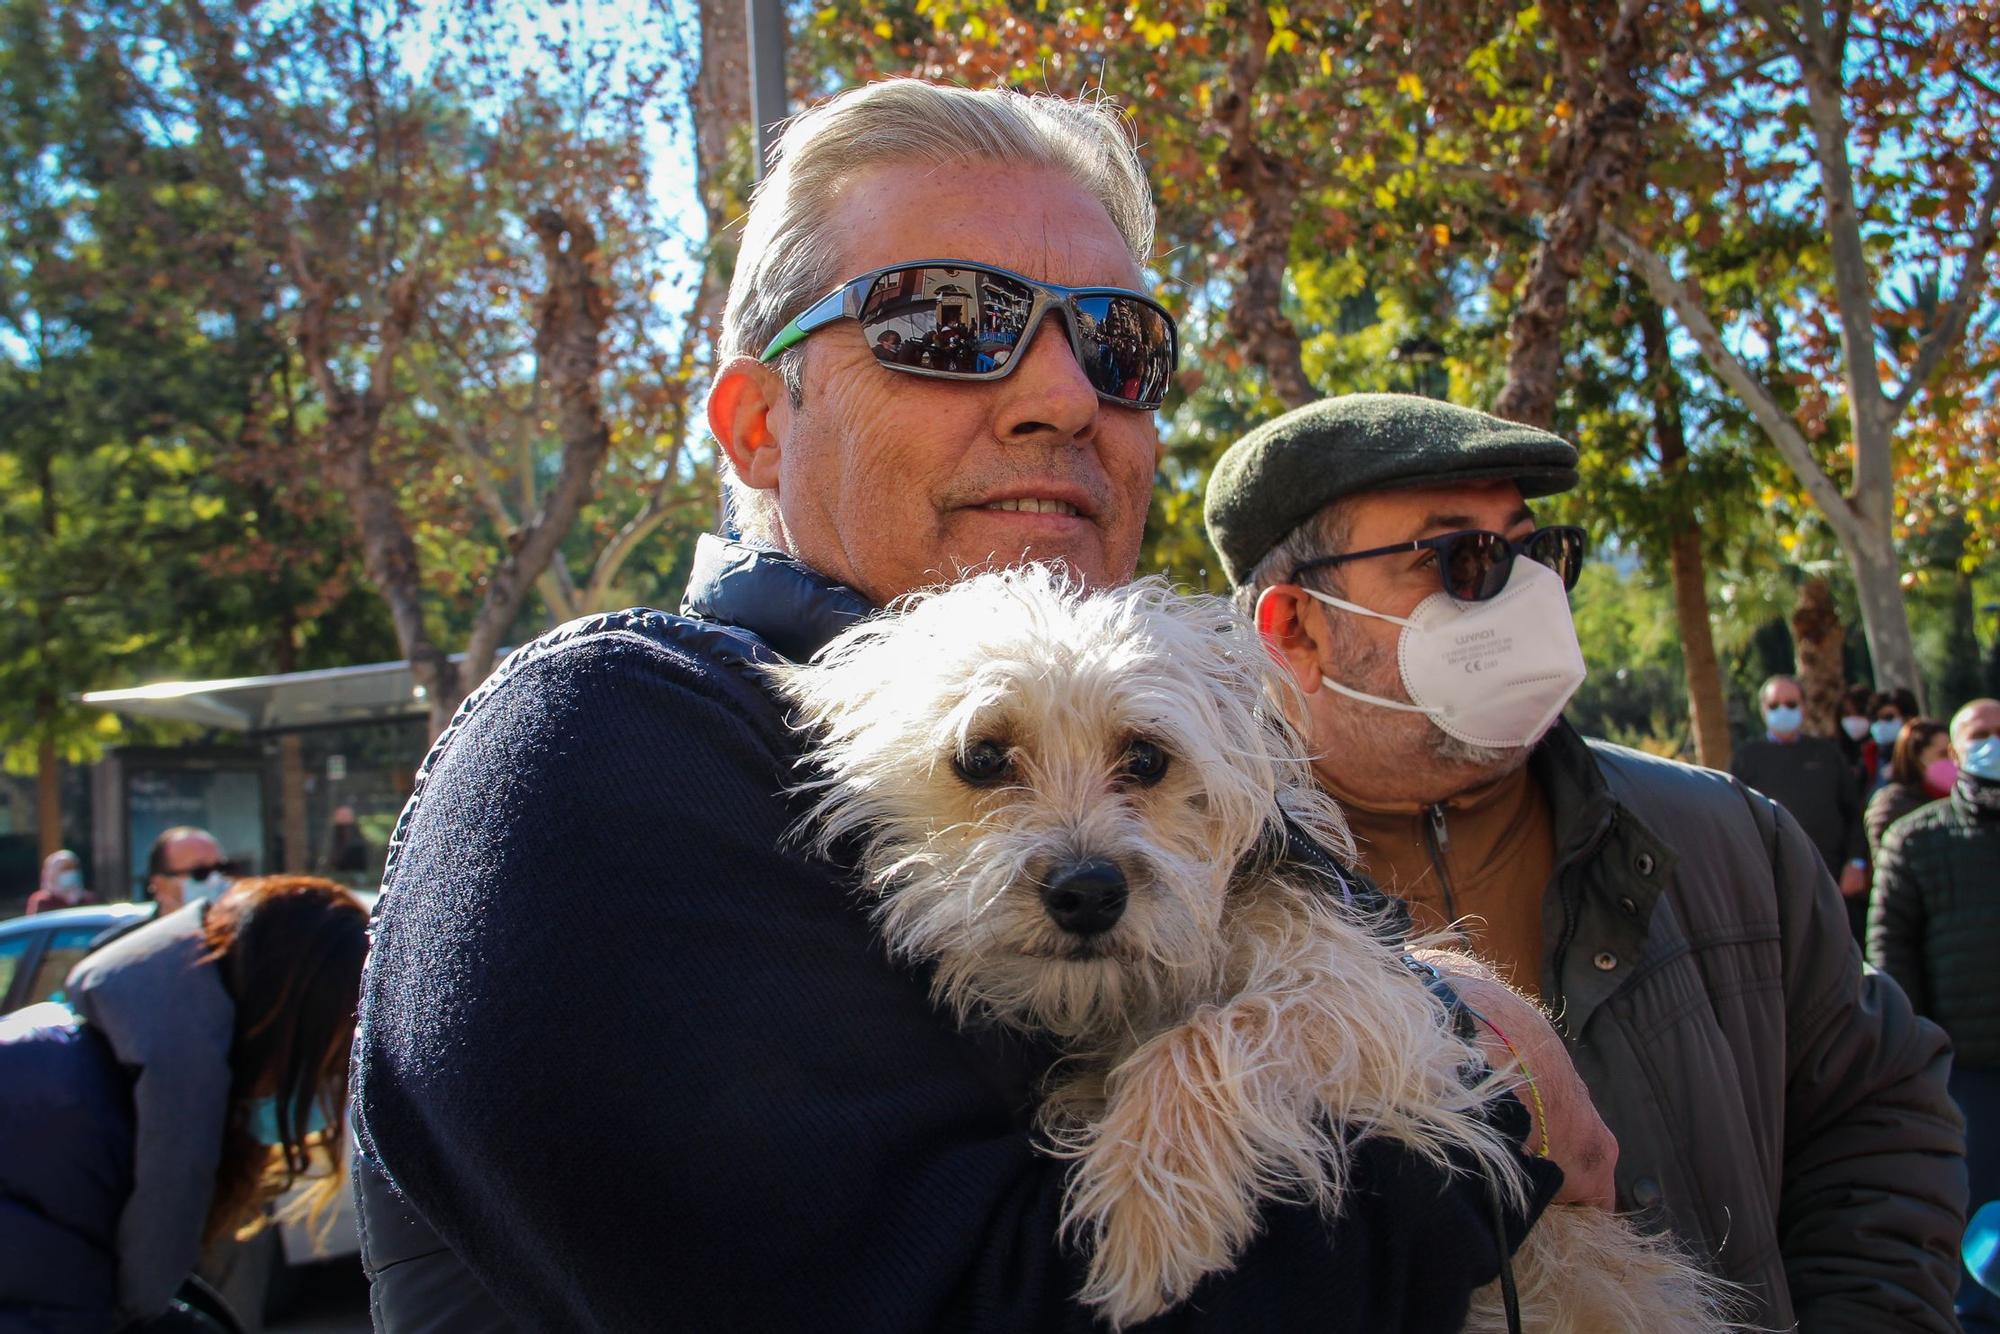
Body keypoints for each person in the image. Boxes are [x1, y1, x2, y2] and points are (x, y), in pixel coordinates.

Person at [353, 82, 1589, 1331]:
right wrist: (1484, 1087)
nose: (1064, 397)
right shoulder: (606, 742)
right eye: (946, 323)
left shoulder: (1202, 735)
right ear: (754, 423)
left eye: (1117, 346)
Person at [1203, 392, 1966, 1330]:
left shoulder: (1729, 837)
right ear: (1295, 628)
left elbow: (1879, 1114)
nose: (1527, 593)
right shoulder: (1195, 907)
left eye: (1534, 551)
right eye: (1462, 559)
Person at [0, 875, 367, 1330]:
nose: (331, 1093)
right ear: (272, 1035)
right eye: (326, 1067)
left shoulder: (92, 1081)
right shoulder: (69, 1121)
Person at [1870, 699, 2000, 1331]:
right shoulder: (1915, 840)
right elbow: (1891, 961)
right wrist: (1919, 1063)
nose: (1993, 745)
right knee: (1978, 1231)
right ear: (1954, 751)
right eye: (1981, 736)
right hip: (1967, 1078)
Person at [1729, 674, 1870, 940]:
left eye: (1791, 704)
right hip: (1773, 887)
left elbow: (1853, 812)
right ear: (1763, 710)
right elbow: (1733, 821)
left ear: (1804, 708)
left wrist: (1856, 862)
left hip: (1833, 882)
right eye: (1774, 705)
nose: (1783, 711)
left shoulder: (1828, 754)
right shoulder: (1747, 759)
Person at [1866, 717, 1955, 857]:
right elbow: (1887, 859)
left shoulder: (1959, 797)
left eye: (1954, 753)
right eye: (1943, 754)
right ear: (1915, 758)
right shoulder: (1892, 803)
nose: (1953, 761)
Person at [145, 827, 231, 915]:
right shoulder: (137, 928)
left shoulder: (241, 926)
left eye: (221, 868)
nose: (215, 879)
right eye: (200, 872)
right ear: (160, 885)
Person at [1868, 687, 1923, 792]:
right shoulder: (1871, 758)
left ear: (1909, 718)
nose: (1881, 724)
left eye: (1888, 717)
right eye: (1875, 718)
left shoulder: (1924, 753)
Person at [25, 848, 99, 915]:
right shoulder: (43, 901)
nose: (71, 872)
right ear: (52, 873)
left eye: (73, 868)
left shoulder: (88, 899)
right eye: (65, 869)